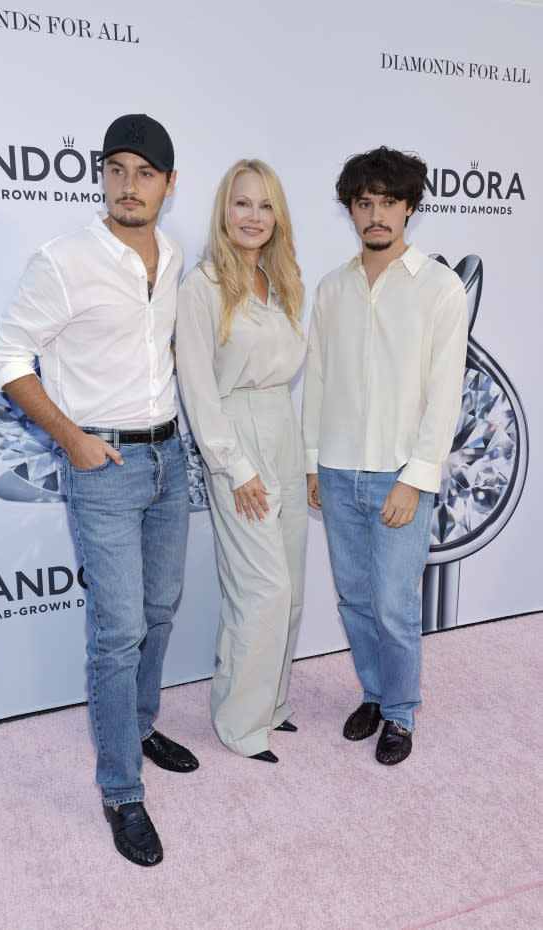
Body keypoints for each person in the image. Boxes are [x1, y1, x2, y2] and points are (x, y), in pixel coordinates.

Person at [0, 114, 198, 867]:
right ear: (102, 176)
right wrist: (71, 438)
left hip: (171, 460)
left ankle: (139, 724)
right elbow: (8, 358)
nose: (128, 185)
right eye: (116, 169)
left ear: (170, 185)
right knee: (116, 633)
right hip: (101, 467)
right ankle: (120, 791)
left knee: (160, 608)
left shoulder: (175, 257)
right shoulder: (64, 258)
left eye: (145, 173)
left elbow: (162, 347)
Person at [302, 147, 468, 765]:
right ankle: (373, 694)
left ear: (409, 208)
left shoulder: (439, 289)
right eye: (364, 202)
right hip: (340, 473)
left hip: (402, 475)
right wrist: (315, 461)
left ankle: (400, 712)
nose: (376, 214)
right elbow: (317, 378)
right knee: (352, 598)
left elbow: (445, 394)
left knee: (395, 606)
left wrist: (416, 479)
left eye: (388, 202)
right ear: (351, 209)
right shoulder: (331, 288)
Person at [176, 159, 307, 763]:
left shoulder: (281, 283)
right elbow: (198, 387)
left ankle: (270, 703)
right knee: (262, 587)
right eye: (241, 204)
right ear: (223, 211)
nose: (253, 217)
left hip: (280, 423)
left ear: (277, 215)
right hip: (235, 435)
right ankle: (240, 723)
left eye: (265, 205)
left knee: (292, 585)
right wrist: (234, 464)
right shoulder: (203, 285)